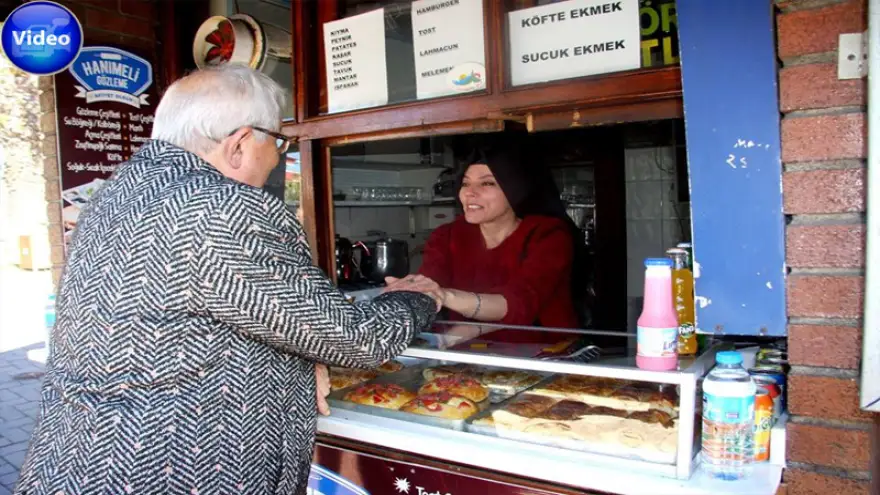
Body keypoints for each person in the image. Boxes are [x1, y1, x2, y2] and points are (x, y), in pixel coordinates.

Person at [14, 65, 442, 495]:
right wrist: (417, 297)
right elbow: (357, 341)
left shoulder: (113, 195)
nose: (276, 159)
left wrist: (301, 359)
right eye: (277, 142)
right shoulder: (223, 207)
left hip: (74, 464)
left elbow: (182, 322)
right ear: (239, 144)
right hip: (171, 473)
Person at [406, 133, 587, 346]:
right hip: (468, 356)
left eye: (487, 183)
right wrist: (409, 293)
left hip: (545, 355)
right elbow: (430, 284)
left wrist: (446, 297)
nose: (470, 193)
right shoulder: (447, 236)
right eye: (465, 183)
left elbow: (520, 302)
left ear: (515, 189)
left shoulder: (548, 236)